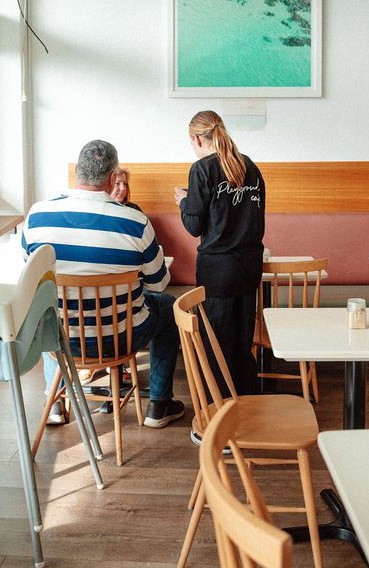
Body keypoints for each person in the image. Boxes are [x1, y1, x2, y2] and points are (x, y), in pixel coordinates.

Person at [22, 139, 184, 429]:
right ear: (112, 178)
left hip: (61, 339)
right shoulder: (135, 222)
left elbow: (31, 279)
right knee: (168, 306)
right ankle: (159, 405)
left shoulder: (37, 216)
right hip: (120, 338)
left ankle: (55, 402)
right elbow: (159, 284)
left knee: (50, 310)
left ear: (78, 171)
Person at [174, 110, 265, 399]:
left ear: (196, 138)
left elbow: (194, 225)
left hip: (218, 270)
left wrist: (184, 201)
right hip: (249, 267)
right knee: (241, 342)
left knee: (216, 344)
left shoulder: (202, 169)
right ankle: (247, 405)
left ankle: (222, 409)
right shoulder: (249, 166)